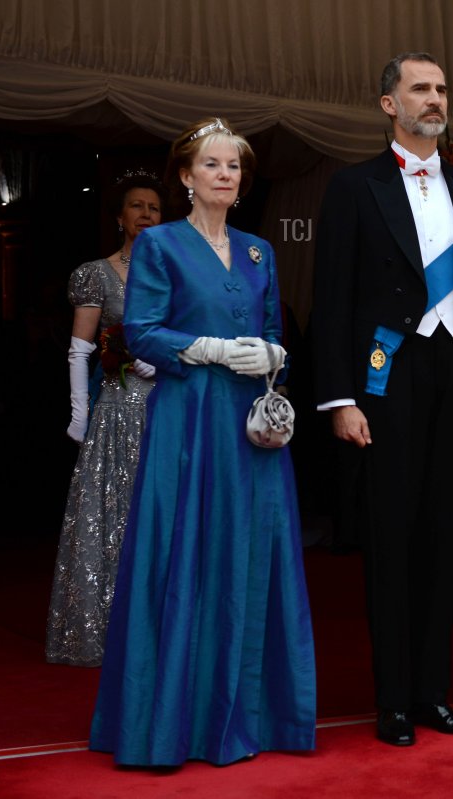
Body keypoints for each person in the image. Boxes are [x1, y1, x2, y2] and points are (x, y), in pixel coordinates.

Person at [89, 117, 316, 766]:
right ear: (186, 177)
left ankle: (253, 715)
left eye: (235, 166)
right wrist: (210, 348)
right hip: (188, 414)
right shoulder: (159, 245)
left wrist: (269, 354)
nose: (225, 174)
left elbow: (278, 337)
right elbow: (141, 333)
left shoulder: (257, 251)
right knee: (186, 552)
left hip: (248, 421)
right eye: (212, 164)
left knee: (249, 554)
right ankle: (173, 723)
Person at [312, 52, 453, 747]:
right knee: (391, 537)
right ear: (388, 103)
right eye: (420, 88)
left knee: (442, 538)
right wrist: (338, 397)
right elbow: (330, 297)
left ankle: (433, 695)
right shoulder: (353, 187)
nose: (434, 99)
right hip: (385, 374)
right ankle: (392, 700)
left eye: (442, 88)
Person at [45, 171, 162, 667]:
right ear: (120, 217)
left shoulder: (174, 270)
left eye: (154, 208)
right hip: (116, 407)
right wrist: (79, 410)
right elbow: (80, 350)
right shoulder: (96, 272)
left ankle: (161, 624)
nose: (146, 214)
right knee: (113, 513)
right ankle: (108, 626)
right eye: (136, 206)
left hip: (165, 405)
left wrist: (167, 358)